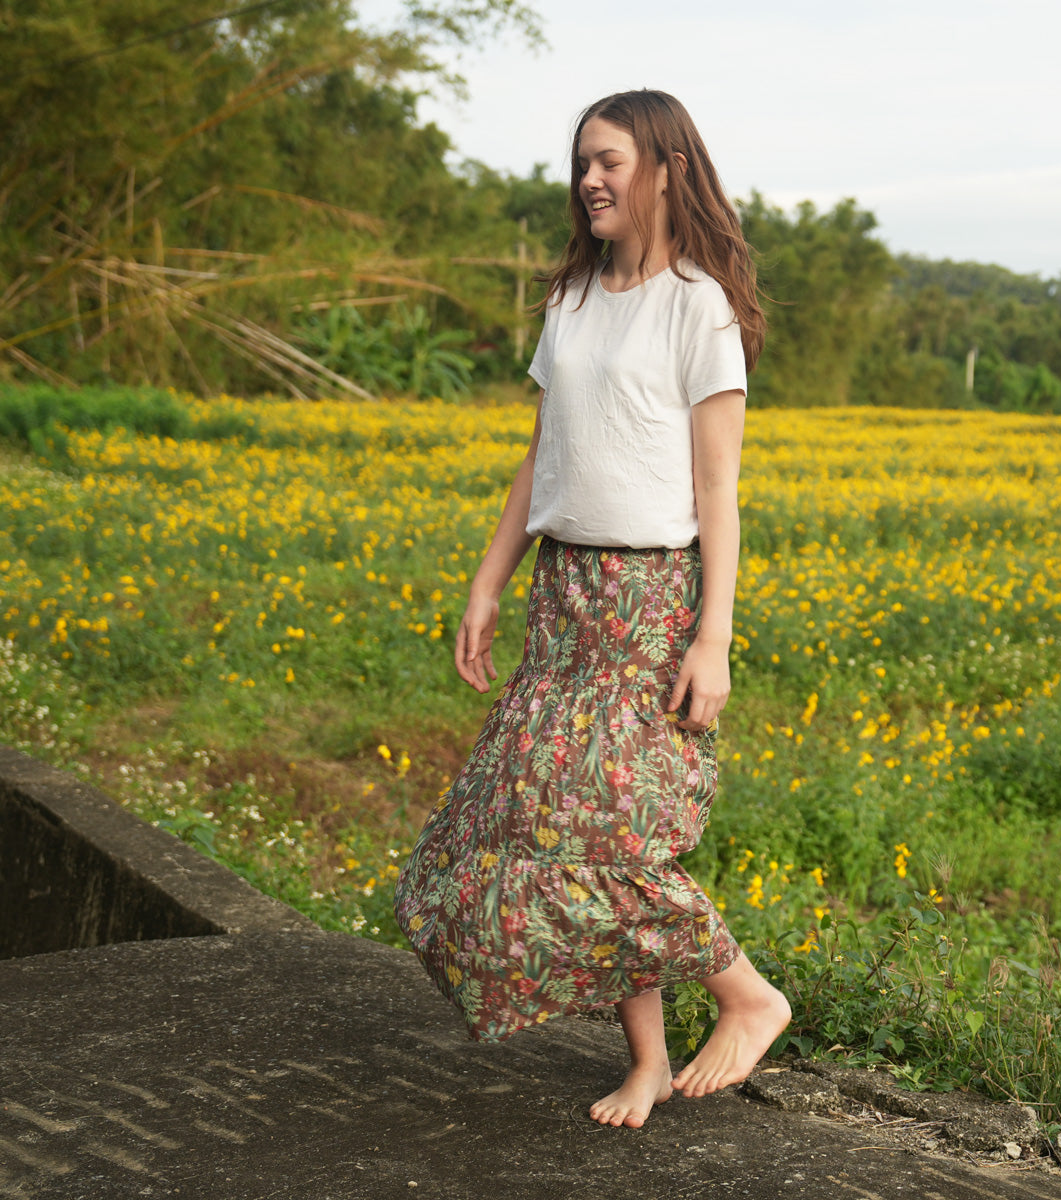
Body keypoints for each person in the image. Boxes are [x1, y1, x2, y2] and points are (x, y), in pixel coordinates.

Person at [394, 88, 790, 1129]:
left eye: (609, 160)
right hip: (560, 597)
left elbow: (718, 493)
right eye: (581, 163)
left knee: (603, 841)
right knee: (502, 830)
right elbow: (543, 456)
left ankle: (747, 995)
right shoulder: (571, 298)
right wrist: (488, 579)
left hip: (647, 606)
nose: (590, 180)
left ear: (663, 168)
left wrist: (713, 638)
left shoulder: (698, 304)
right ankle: (649, 1060)